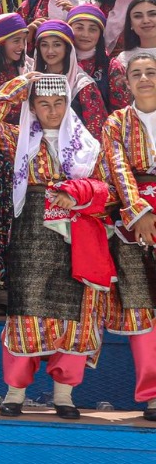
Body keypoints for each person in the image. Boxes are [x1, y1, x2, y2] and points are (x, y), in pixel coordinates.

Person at [0, 72, 109, 418]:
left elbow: (106, 192)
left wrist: (77, 194)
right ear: (33, 107)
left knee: (74, 314)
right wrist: (24, 83)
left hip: (75, 234)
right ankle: (15, 393)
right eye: (44, 104)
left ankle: (64, 395)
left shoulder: (88, 145)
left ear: (68, 104)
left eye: (59, 103)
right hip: (30, 232)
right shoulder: (19, 139)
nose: (52, 110)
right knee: (26, 312)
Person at [100, 51, 156, 420]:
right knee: (142, 310)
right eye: (137, 73)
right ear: (126, 82)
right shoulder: (117, 122)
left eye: (151, 72)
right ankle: (152, 394)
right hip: (132, 226)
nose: (145, 78)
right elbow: (119, 169)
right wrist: (141, 214)